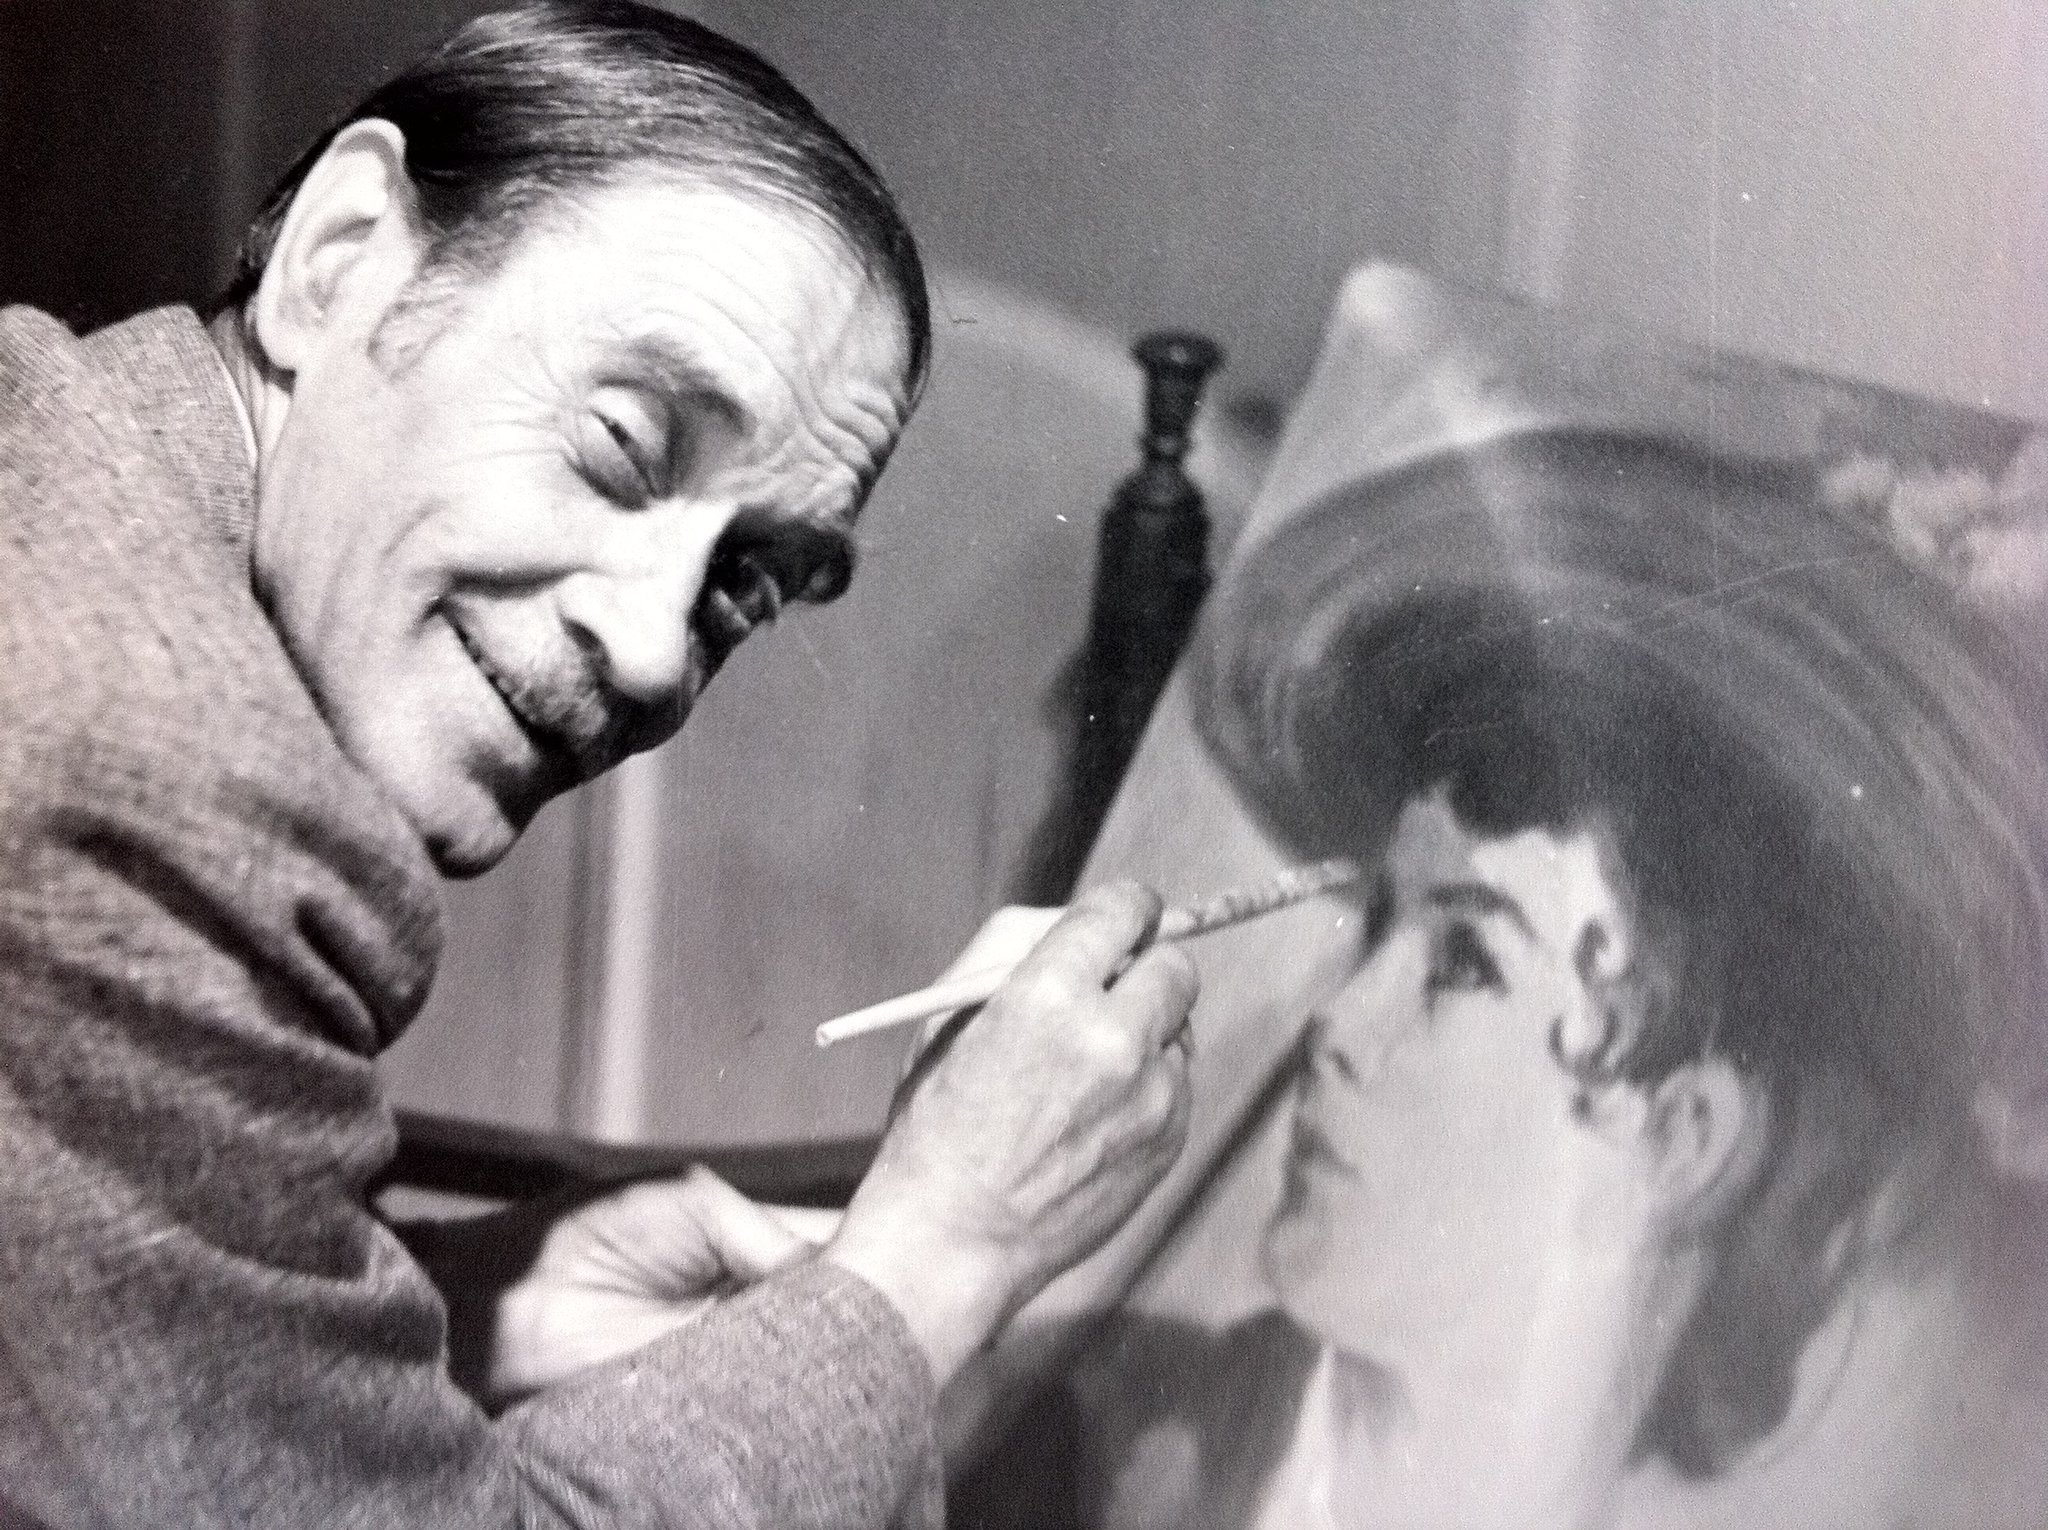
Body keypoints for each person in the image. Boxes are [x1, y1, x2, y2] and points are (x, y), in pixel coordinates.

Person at [0, 4, 1197, 1527]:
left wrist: (468, 1305)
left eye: (746, 581)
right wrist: (940, 1252)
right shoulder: (171, 794)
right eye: (624, 445)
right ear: (339, 259)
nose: (649, 651)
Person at [957, 430, 2048, 1529]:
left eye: (1465, 961)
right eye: (1377, 930)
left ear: (1683, 1136)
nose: (1337, 1020)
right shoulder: (1074, 1445)